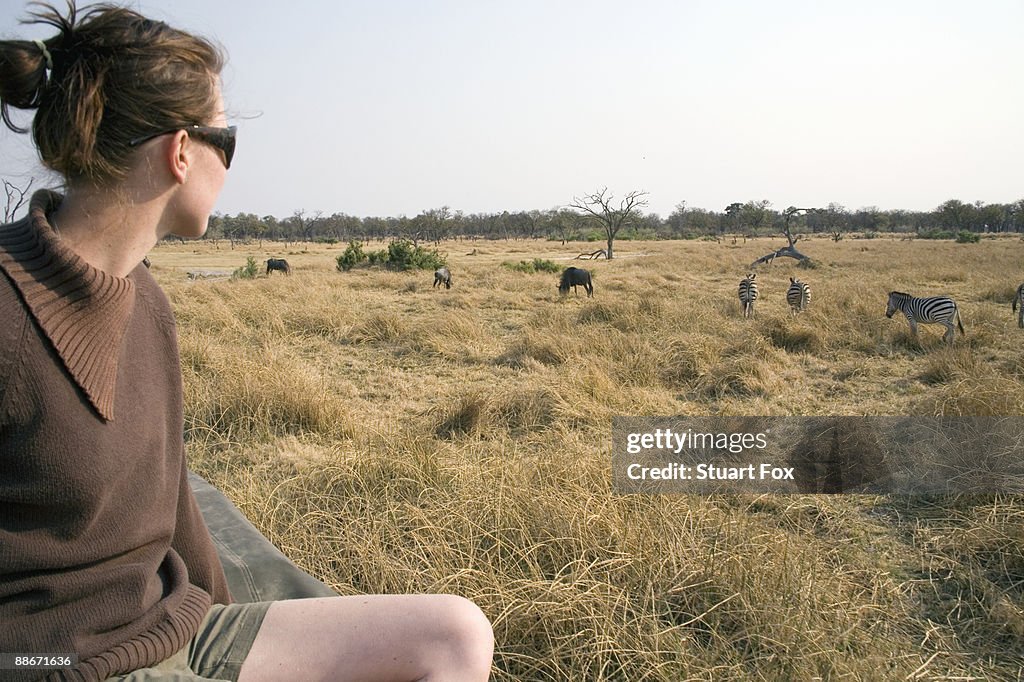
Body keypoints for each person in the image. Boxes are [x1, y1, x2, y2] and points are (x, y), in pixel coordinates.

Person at [0, 3, 494, 681]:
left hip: (177, 629)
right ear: (180, 153)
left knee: (456, 634)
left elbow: (171, 497)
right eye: (225, 144)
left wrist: (238, 640)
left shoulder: (146, 301)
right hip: (60, 663)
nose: (230, 163)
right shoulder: (7, 309)